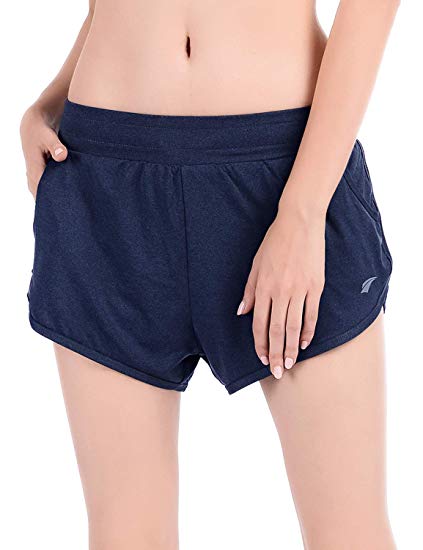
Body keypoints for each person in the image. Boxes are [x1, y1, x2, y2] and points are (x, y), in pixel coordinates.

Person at [20, 1, 400, 548]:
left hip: (286, 168)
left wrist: (303, 210)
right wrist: (49, 101)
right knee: (125, 536)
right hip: (102, 175)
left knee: (349, 534)